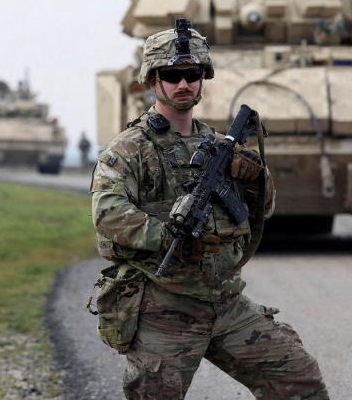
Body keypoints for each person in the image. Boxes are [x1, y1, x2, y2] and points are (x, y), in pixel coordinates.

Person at [90, 20, 329, 399]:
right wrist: (166, 236)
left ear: (203, 78)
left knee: (300, 380)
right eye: (172, 75)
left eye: (193, 74)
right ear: (152, 80)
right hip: (165, 305)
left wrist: (256, 178)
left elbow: (262, 211)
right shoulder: (130, 148)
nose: (183, 83)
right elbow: (107, 212)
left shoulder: (220, 145)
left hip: (225, 302)